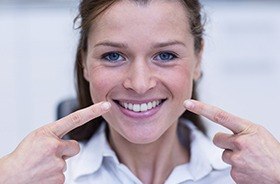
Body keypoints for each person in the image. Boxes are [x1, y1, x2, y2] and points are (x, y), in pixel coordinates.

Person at [0, 0, 279, 183]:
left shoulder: (245, 176)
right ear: (84, 62)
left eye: (166, 55)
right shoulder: (43, 177)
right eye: (113, 56)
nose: (140, 83)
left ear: (198, 59)